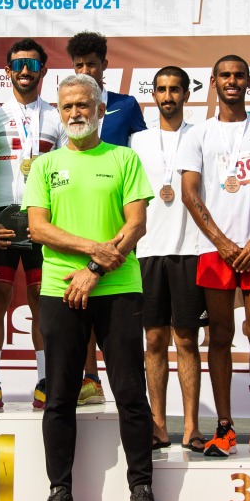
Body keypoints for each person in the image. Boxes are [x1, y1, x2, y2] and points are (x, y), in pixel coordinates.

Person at [24, 73, 167, 501]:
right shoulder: (46, 165)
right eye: (66, 107)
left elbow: (136, 224)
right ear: (59, 113)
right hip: (58, 290)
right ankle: (59, 492)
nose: (75, 113)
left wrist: (94, 270)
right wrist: (91, 251)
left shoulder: (124, 159)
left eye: (83, 105)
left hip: (119, 289)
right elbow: (38, 228)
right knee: (61, 396)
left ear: (101, 109)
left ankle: (141, 490)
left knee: (130, 393)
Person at [178, 55, 250, 457]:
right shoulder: (199, 134)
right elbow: (190, 193)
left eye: (238, 76)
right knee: (220, 335)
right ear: (212, 82)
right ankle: (224, 427)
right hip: (215, 249)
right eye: (225, 75)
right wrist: (222, 241)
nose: (232, 81)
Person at [0, 39, 65, 410]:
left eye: (32, 63)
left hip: (45, 220)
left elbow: (66, 175)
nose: (25, 70)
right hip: (1, 219)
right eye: (18, 64)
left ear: (43, 69)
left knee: (43, 302)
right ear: (7, 71)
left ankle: (46, 382)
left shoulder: (58, 118)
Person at [65, 30, 147, 405]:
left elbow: (143, 154)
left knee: (110, 307)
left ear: (104, 66)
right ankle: (90, 380)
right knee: (79, 302)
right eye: (79, 65)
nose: (85, 70)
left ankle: (124, 391)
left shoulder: (126, 105)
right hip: (80, 220)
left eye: (91, 65)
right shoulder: (71, 107)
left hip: (120, 214)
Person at [129, 66, 206, 452]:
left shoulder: (202, 135)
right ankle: (158, 424)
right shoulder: (137, 141)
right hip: (147, 252)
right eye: (161, 89)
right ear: (153, 94)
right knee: (155, 340)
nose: (168, 95)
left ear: (187, 94)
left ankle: (191, 426)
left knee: (188, 341)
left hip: (191, 251)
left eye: (175, 89)